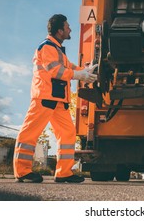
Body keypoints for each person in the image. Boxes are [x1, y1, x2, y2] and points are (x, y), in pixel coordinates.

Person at [13, 14, 97, 183]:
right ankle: (22, 172)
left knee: (68, 133)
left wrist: (86, 70)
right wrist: (78, 75)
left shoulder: (57, 50)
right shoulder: (47, 47)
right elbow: (55, 71)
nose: (70, 29)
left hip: (58, 101)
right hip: (44, 98)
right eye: (67, 27)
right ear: (60, 31)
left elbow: (71, 67)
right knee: (29, 133)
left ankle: (64, 172)